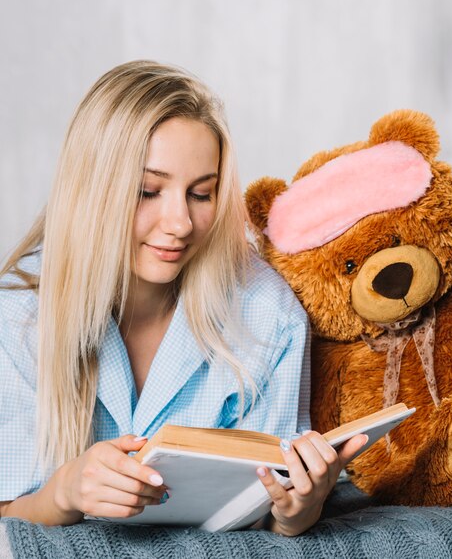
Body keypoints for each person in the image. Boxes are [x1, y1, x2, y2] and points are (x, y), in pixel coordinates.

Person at [0, 60, 366, 535]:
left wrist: (297, 512)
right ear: (91, 190)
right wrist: (63, 493)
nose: (180, 223)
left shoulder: (268, 313)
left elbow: (269, 509)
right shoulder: (18, 318)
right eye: (147, 191)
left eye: (201, 194)